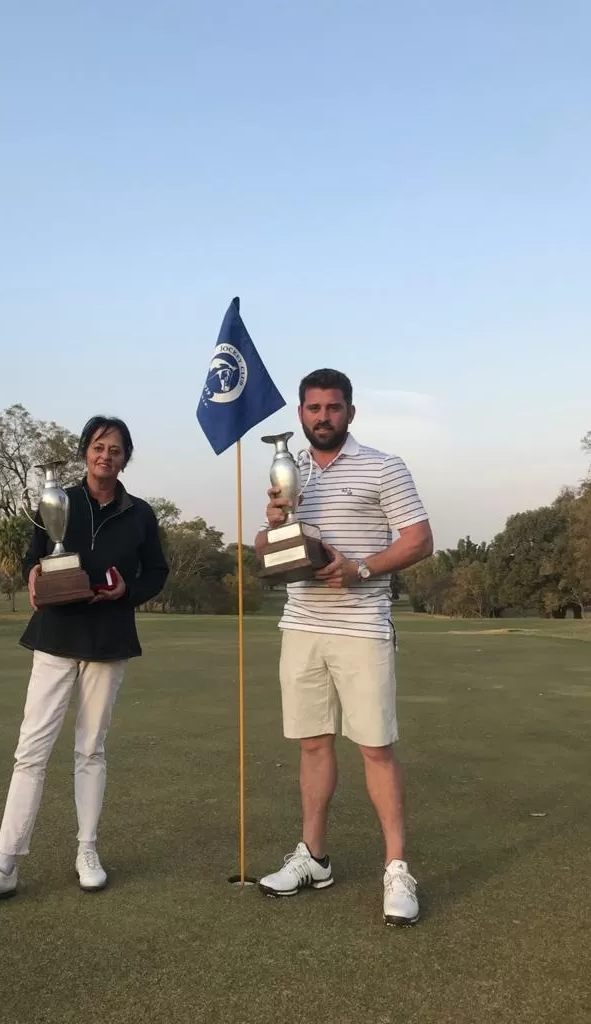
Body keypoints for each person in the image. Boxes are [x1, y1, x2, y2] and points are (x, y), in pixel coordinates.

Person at [0, 416, 169, 910]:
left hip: (109, 638)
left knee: (91, 750)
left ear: (125, 457)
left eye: (115, 449)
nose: (105, 455)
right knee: (31, 750)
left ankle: (86, 852)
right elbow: (35, 556)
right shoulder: (57, 500)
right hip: (57, 635)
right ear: (85, 453)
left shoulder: (140, 514)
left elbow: (156, 572)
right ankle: (4, 865)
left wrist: (126, 592)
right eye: (97, 446)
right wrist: (33, 576)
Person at [254, 369, 433, 926]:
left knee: (375, 748)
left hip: (362, 625)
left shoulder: (384, 465)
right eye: (313, 408)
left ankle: (397, 869)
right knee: (312, 745)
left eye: (333, 407)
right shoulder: (291, 470)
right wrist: (274, 524)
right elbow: (266, 551)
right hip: (302, 623)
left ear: (350, 412)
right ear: (301, 414)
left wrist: (360, 568)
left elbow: (420, 538)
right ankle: (313, 857)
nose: (323, 417)